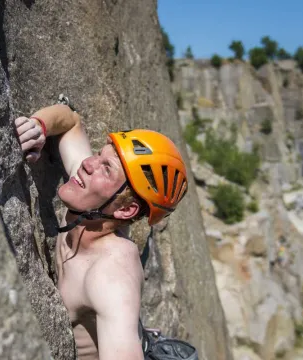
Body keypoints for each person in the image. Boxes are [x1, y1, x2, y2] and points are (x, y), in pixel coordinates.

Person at [14, 104, 188, 360]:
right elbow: (71, 121)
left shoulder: (111, 276)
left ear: (126, 210)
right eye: (98, 154)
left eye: (106, 168)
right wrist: (37, 128)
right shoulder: (91, 199)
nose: (87, 164)